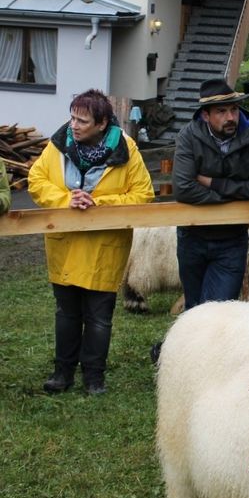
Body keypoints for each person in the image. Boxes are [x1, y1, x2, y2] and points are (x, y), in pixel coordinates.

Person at [27, 89, 154, 395]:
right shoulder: (57, 145)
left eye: (82, 120)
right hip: (65, 245)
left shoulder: (127, 149)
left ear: (102, 124)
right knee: (66, 312)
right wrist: (65, 198)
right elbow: (36, 180)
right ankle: (62, 373)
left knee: (99, 317)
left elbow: (143, 194)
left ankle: (94, 377)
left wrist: (100, 203)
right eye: (72, 117)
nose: (74, 124)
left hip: (104, 246)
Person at [172, 78, 249, 310]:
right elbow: (183, 188)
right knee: (194, 310)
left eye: (234, 110)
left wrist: (213, 183)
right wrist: (233, 197)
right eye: (221, 111)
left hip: (231, 239)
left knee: (217, 312)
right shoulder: (189, 136)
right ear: (206, 115)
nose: (230, 117)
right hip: (192, 235)